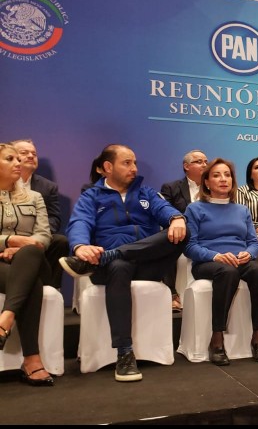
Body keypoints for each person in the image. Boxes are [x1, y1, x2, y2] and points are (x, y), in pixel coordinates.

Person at [60, 144, 188, 382]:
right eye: (127, 163)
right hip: (110, 268)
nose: (134, 168)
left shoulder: (145, 192)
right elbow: (79, 223)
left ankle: (113, 254)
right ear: (108, 167)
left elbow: (164, 209)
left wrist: (176, 218)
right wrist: (80, 247)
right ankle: (125, 352)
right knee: (119, 266)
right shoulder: (91, 196)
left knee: (184, 233)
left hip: (147, 264)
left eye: (135, 163)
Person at [184, 158, 258, 364]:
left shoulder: (241, 210)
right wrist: (215, 256)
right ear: (206, 182)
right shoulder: (195, 209)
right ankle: (217, 339)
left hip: (240, 259)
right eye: (216, 175)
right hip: (209, 262)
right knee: (227, 272)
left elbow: (253, 242)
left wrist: (249, 254)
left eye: (227, 175)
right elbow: (189, 247)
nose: (223, 179)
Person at [0, 143, 55, 386]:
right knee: (32, 284)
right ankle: (32, 360)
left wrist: (22, 247)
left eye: (18, 158)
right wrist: (9, 241)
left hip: (34, 258)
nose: (18, 163)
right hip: (3, 265)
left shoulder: (34, 197)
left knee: (31, 251)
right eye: (10, 159)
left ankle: (5, 319)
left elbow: (44, 235)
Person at [11, 139, 69, 290]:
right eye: (24, 153)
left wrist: (35, 238)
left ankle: (51, 289)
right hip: (9, 236)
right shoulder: (3, 183)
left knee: (60, 241)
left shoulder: (48, 187)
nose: (31, 156)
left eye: (34, 153)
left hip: (37, 236)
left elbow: (54, 218)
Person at [160, 149, 208, 311]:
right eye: (199, 161)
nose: (204, 165)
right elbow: (164, 213)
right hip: (182, 232)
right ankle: (173, 294)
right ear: (186, 166)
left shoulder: (213, 187)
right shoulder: (171, 188)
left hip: (208, 234)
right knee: (167, 241)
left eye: (206, 162)